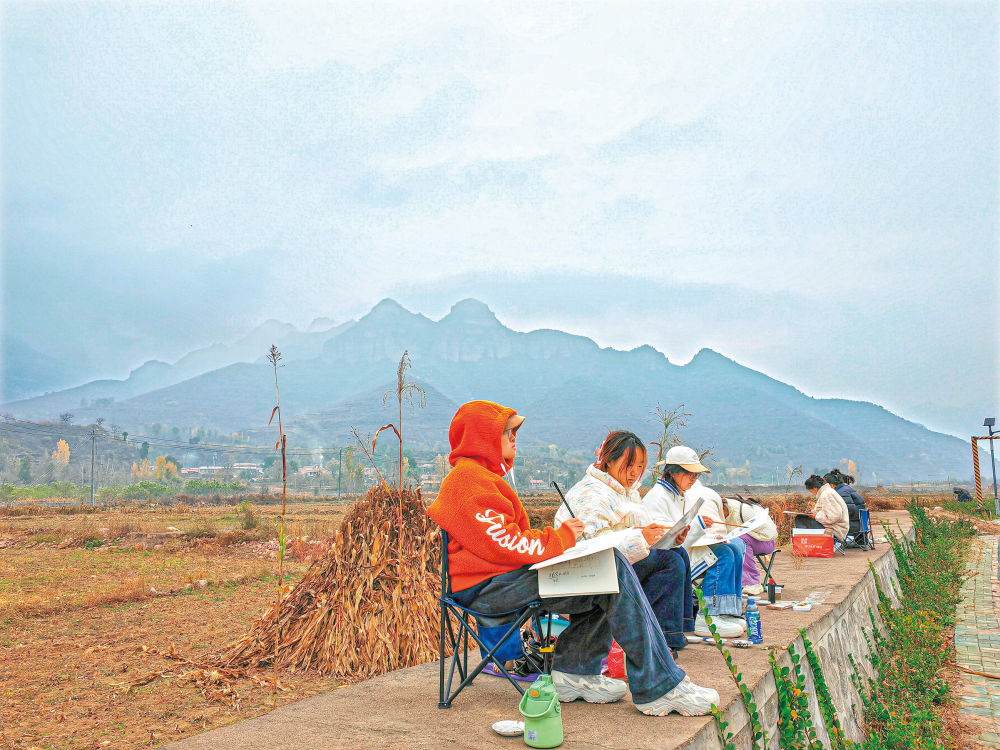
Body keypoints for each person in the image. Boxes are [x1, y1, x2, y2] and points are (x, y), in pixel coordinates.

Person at [426, 401, 719, 716]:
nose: (515, 437)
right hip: (487, 588)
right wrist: (562, 537)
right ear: (482, 435)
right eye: (508, 431)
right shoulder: (467, 481)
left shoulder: (482, 477)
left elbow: (504, 541)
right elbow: (505, 543)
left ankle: (574, 673)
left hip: (501, 579)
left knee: (604, 576)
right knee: (612, 567)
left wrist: (558, 541)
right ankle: (660, 686)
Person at [553, 430, 694, 655]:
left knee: (678, 554)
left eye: (640, 466)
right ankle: (658, 640)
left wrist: (665, 537)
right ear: (608, 460)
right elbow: (592, 545)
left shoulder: (625, 491)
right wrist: (641, 538)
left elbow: (633, 530)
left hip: (616, 560)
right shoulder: (593, 494)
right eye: (629, 465)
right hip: (586, 569)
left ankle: (668, 633)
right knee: (669, 562)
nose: (634, 473)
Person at [642, 446, 747, 637]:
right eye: (689, 474)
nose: (693, 479)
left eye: (695, 476)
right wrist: (698, 526)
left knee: (734, 548)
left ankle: (727, 611)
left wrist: (703, 529)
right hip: (668, 559)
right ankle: (709, 616)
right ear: (673, 473)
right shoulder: (658, 498)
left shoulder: (679, 495)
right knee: (722, 555)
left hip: (683, 552)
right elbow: (666, 541)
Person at [724, 495, 777, 596]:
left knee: (739, 539)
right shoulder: (727, 513)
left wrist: (745, 532)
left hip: (767, 541)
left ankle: (752, 582)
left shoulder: (745, 511)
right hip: (748, 541)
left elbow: (772, 533)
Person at [796, 474, 850, 549]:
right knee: (803, 519)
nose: (811, 492)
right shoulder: (827, 492)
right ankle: (807, 545)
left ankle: (803, 546)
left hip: (837, 529)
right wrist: (814, 508)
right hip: (837, 526)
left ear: (814, 488)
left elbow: (835, 516)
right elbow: (827, 511)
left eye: (810, 490)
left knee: (800, 519)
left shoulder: (826, 494)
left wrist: (816, 516)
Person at [826, 470, 864, 541]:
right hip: (860, 521)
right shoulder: (845, 489)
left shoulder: (841, 492)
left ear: (831, 484)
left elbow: (849, 510)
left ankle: (832, 542)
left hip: (853, 523)